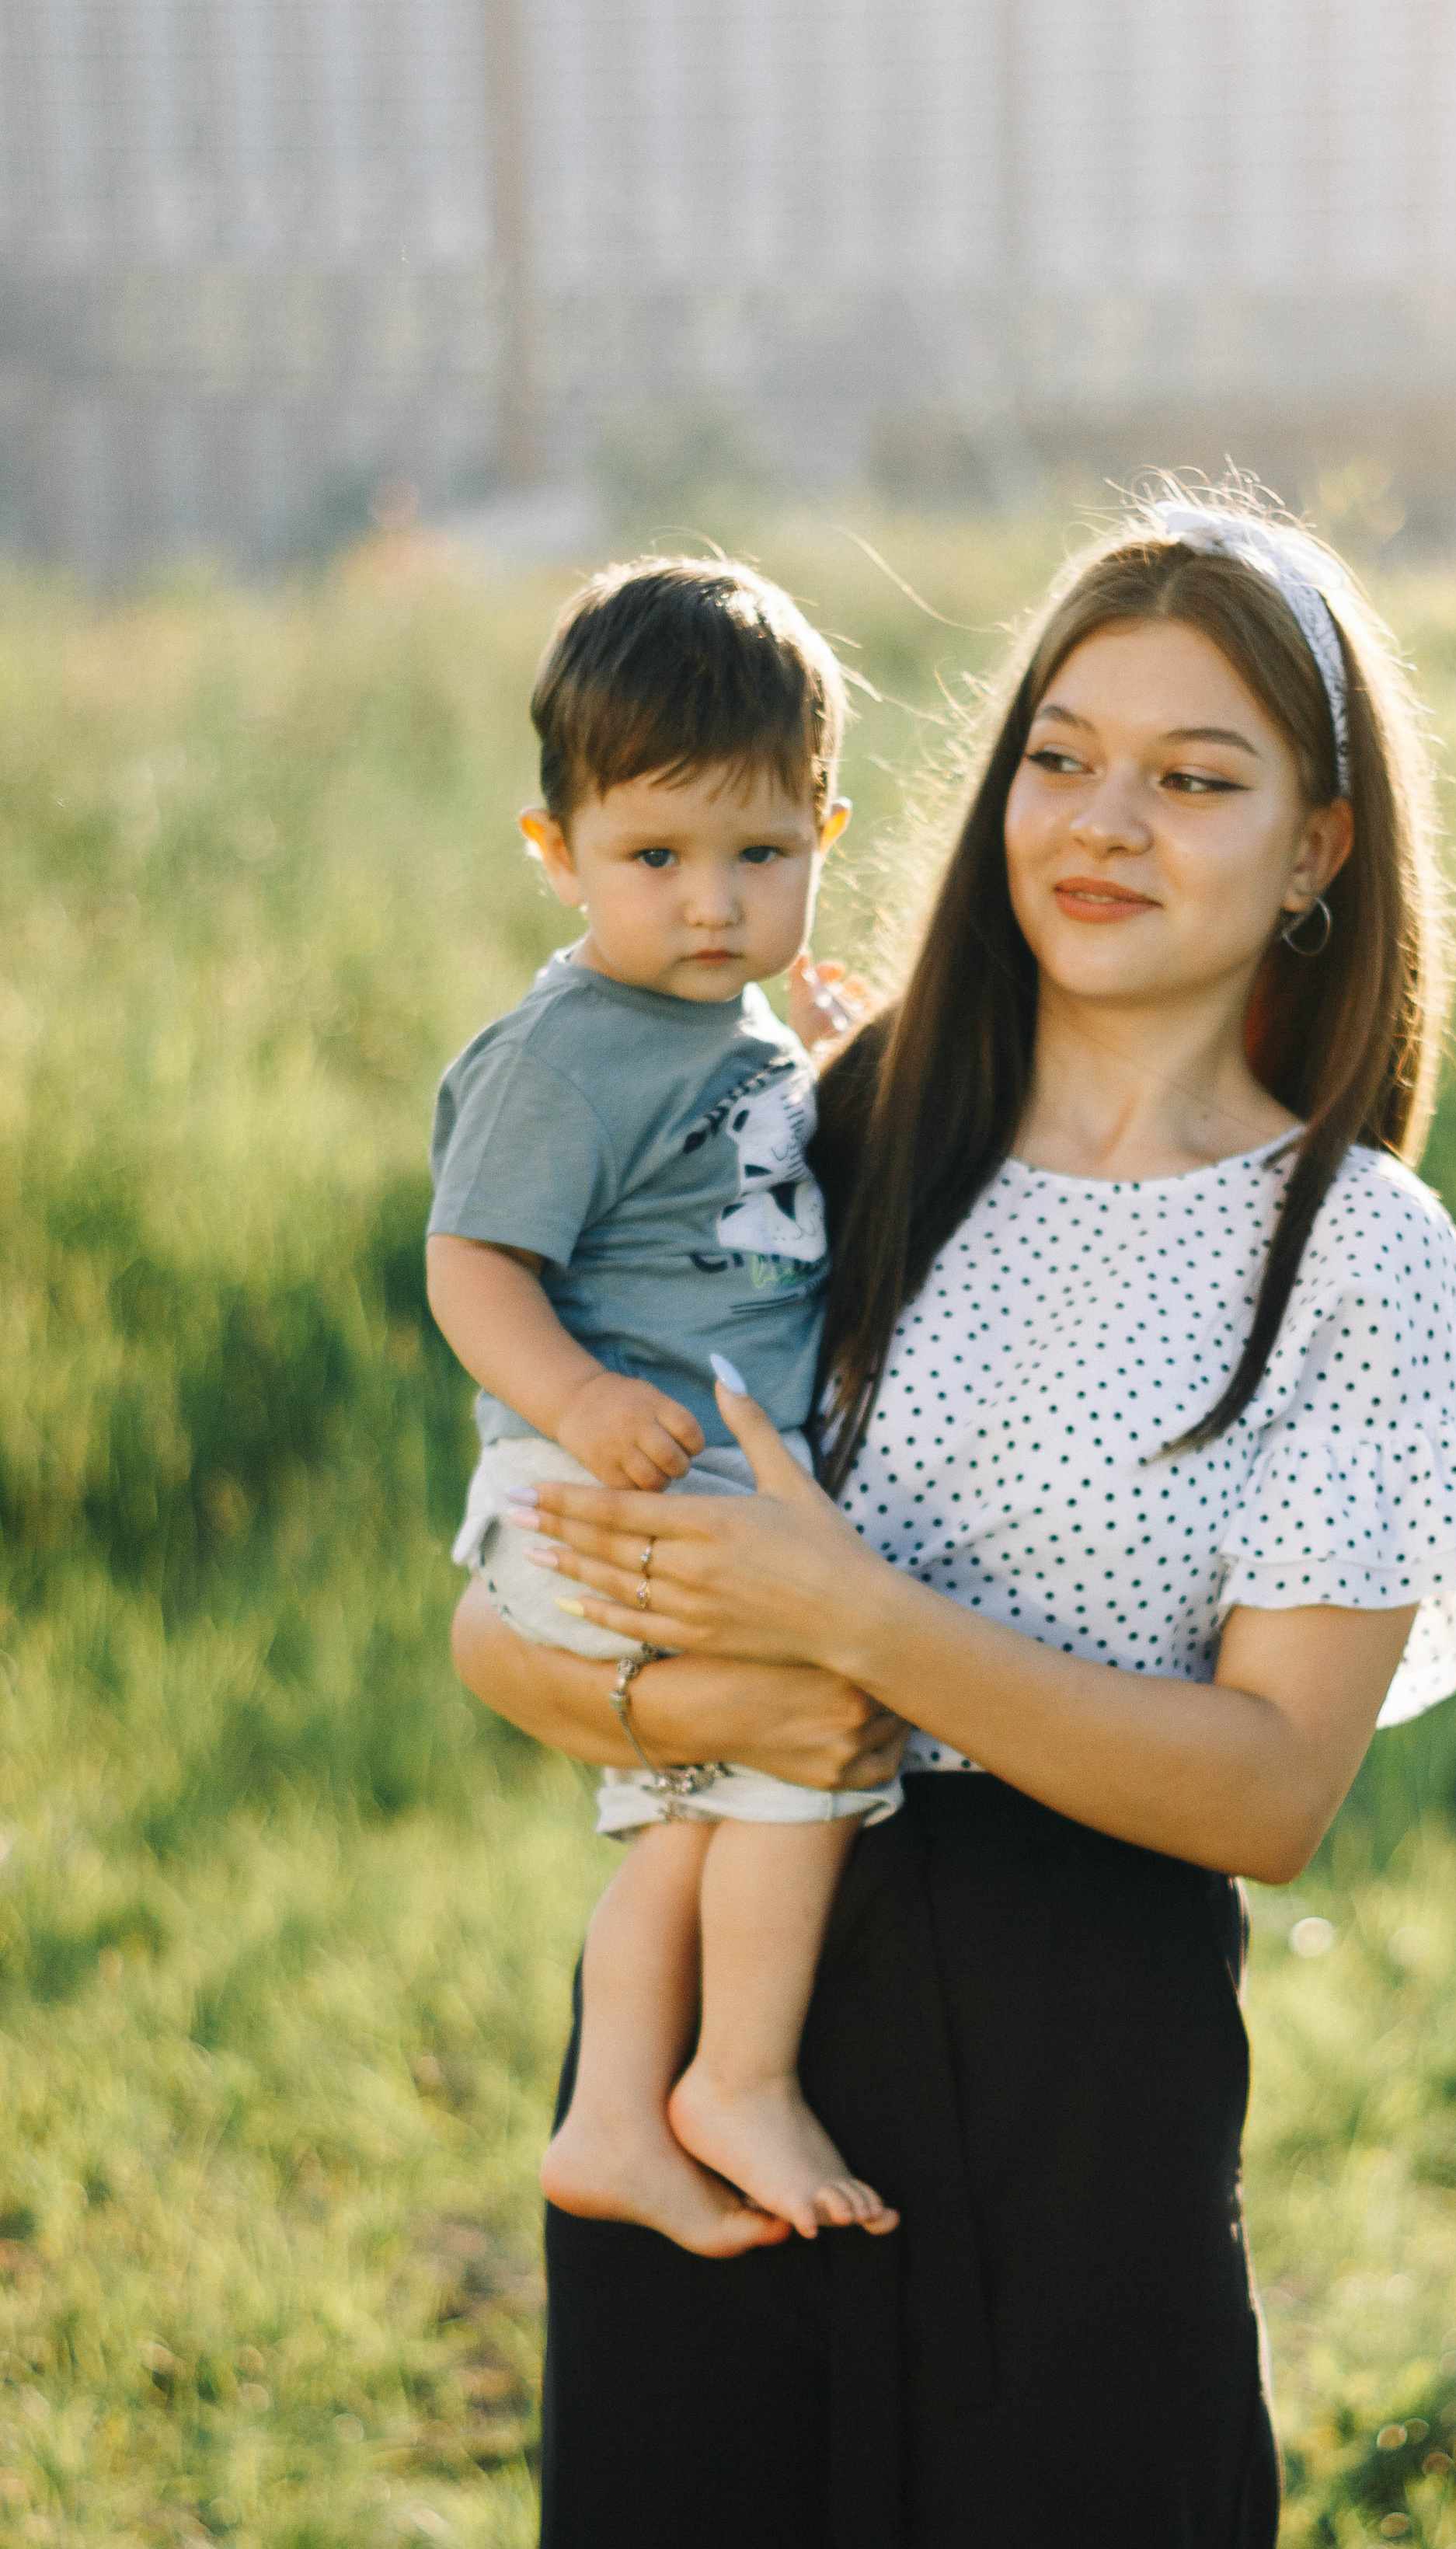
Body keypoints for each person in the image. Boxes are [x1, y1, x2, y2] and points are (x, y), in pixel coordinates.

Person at [455, 489, 1456, 2549]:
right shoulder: (820, 1138)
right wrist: (672, 1681)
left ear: (1320, 844)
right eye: (1062, 756)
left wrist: (863, 1619)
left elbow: (1272, 1790)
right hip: (720, 2053)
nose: (1101, 822)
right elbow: (508, 1636)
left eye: (1195, 778)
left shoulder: (1356, 1253)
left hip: (1085, 2080)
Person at [427, 554, 901, 2250]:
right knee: (810, 1712)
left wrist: (846, 1059)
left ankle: (620, 2112)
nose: (711, 904)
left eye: (758, 858)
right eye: (654, 859)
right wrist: (578, 1398)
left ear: (821, 839)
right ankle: (739, 2078)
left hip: (692, 1482)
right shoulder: (565, 1058)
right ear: (556, 854)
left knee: (700, 1820)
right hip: (602, 1482)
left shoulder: (738, 1024)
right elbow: (470, 1265)